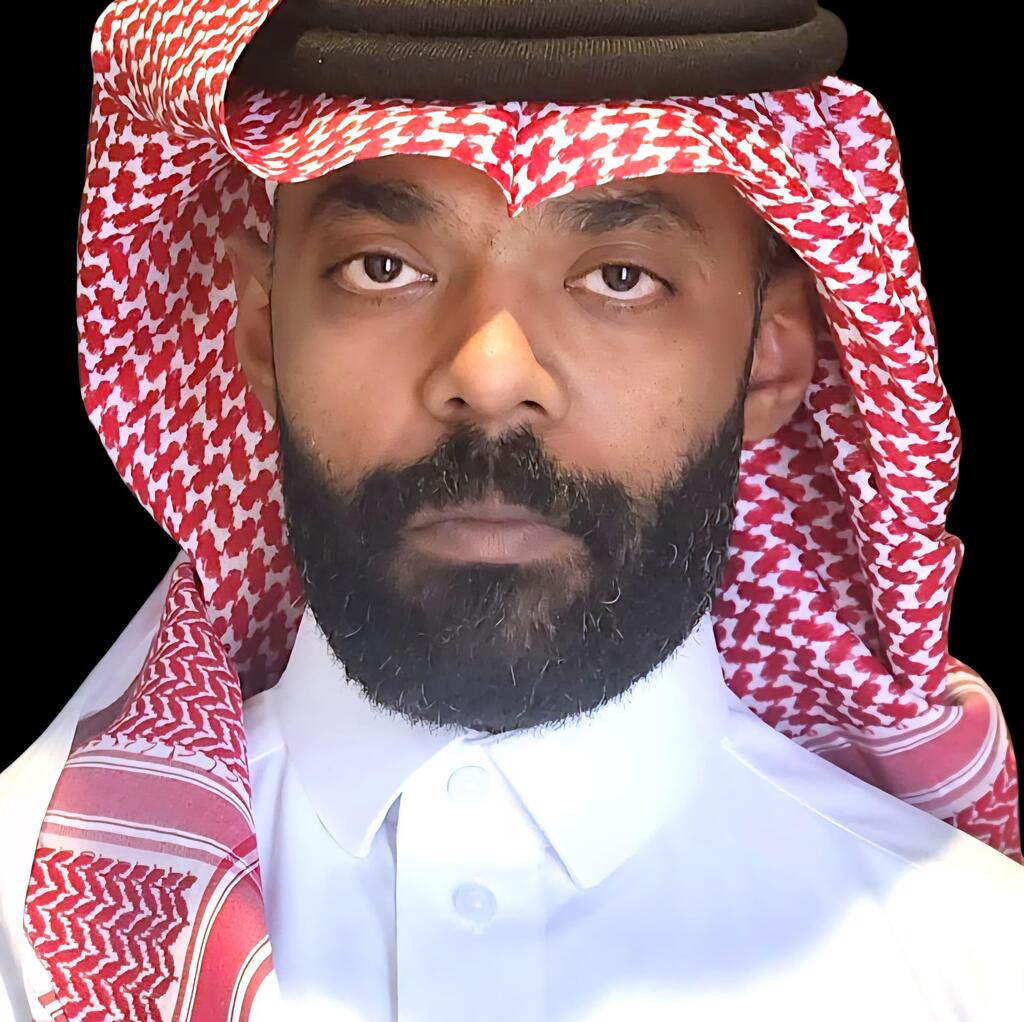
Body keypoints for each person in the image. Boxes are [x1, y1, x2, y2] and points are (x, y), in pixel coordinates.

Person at [2, 1, 1021, 1020]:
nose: (491, 375)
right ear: (262, 329)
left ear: (769, 357)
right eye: (383, 268)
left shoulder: (977, 968)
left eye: (620, 277)